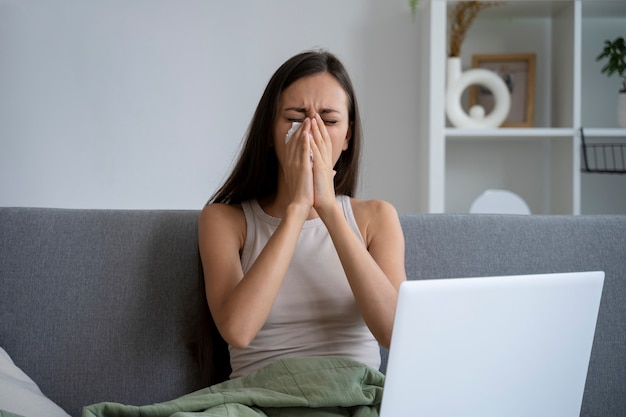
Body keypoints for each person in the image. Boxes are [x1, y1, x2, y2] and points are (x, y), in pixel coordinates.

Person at [197, 49, 407, 380]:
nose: (310, 133)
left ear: (348, 135)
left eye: (330, 120)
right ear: (269, 131)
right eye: (295, 118)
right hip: (261, 398)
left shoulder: (376, 217)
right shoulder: (223, 220)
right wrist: (297, 208)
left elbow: (396, 333)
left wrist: (327, 207)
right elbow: (238, 331)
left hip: (353, 392)